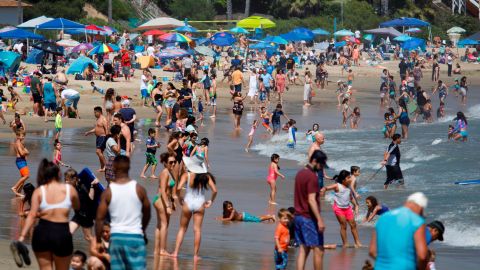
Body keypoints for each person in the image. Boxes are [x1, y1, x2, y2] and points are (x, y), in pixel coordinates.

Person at [18, 159, 80, 270]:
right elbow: (78, 209)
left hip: (42, 233)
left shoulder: (39, 191)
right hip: (62, 233)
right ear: (59, 174)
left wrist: (22, 237)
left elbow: (32, 215)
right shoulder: (69, 190)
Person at [95, 156, 151, 270]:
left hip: (116, 238)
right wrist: (143, 230)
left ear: (114, 168)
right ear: (129, 167)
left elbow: (99, 218)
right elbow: (147, 213)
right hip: (135, 237)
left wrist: (97, 240)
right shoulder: (139, 189)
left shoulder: (108, 192)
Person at [171, 156, 217, 259]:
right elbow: (215, 190)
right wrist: (211, 201)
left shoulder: (186, 175)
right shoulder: (206, 177)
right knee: (197, 230)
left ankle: (175, 253)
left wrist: (179, 198)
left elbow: (178, 188)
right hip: (200, 203)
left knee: (182, 229)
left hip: (188, 202)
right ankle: (195, 255)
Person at [369, 192, 428, 270]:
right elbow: (422, 256)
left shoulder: (384, 218)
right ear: (420, 207)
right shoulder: (416, 220)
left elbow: (372, 251)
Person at [294, 150, 327, 270]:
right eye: (321, 165)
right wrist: (319, 220)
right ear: (314, 161)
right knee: (319, 250)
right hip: (309, 218)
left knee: (304, 249)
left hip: (298, 216)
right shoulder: (312, 177)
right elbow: (311, 200)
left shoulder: (300, 174)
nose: (322, 168)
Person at [321, 170, 362, 247]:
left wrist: (355, 205)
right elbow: (326, 188)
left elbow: (350, 197)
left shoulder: (349, 187)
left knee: (353, 224)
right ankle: (345, 244)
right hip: (339, 208)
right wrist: (323, 190)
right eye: (348, 178)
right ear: (343, 180)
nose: (350, 179)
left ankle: (357, 242)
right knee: (344, 225)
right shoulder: (337, 186)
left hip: (348, 208)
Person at [153, 153, 177, 260]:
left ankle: (157, 250)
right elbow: (163, 190)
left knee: (160, 225)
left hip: (162, 200)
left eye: (174, 162)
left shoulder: (169, 172)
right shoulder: (165, 173)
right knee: (164, 224)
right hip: (160, 200)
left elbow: (169, 190)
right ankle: (162, 250)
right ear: (165, 163)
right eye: (170, 162)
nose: (173, 164)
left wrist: (172, 201)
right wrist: (167, 205)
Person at [65, 168, 99, 243]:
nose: (66, 182)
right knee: (67, 234)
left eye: (68, 180)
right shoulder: (70, 188)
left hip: (86, 216)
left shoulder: (82, 187)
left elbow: (91, 198)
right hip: (78, 215)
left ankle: (102, 249)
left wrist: (92, 185)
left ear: (74, 179)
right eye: (65, 180)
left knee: (88, 237)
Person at [85, 107, 108, 172]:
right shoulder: (98, 119)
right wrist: (89, 132)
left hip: (103, 137)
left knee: (98, 152)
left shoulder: (103, 119)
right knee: (100, 152)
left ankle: (106, 166)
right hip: (98, 137)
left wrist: (107, 138)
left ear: (99, 112)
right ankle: (102, 167)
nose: (94, 114)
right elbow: (96, 129)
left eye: (95, 112)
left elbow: (106, 129)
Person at [12, 130, 30, 197]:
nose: (23, 137)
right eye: (22, 136)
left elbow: (27, 152)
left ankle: (18, 193)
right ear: (18, 136)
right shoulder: (18, 143)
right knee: (26, 176)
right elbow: (23, 153)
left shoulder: (21, 143)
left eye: (24, 136)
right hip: (20, 161)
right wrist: (26, 152)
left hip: (22, 161)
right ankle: (15, 187)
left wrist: (26, 152)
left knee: (23, 178)